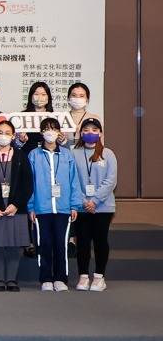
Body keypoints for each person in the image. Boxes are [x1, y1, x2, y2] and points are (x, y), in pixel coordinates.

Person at [27, 117, 83, 292]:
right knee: (44, 244)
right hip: (41, 208)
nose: (50, 132)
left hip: (63, 208)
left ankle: (60, 278)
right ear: (41, 132)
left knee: (61, 244)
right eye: (46, 129)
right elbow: (29, 183)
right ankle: (45, 278)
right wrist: (31, 206)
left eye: (53, 128)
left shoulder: (67, 154)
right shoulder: (34, 155)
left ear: (59, 132)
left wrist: (74, 205)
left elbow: (74, 181)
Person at [0, 120, 32, 292]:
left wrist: (16, 204)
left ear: (13, 136)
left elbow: (28, 184)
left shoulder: (21, 156)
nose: (3, 136)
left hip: (15, 208)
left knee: (14, 245)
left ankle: (11, 279)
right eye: (0, 132)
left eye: (7, 133)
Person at [72, 118, 115, 291]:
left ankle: (99, 277)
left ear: (100, 133)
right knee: (82, 242)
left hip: (103, 207)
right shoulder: (74, 153)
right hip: (81, 206)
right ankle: (83, 276)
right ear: (81, 133)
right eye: (86, 130)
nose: (90, 133)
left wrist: (95, 200)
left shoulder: (108, 154)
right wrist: (84, 201)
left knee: (100, 241)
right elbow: (72, 180)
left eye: (95, 130)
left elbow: (111, 181)